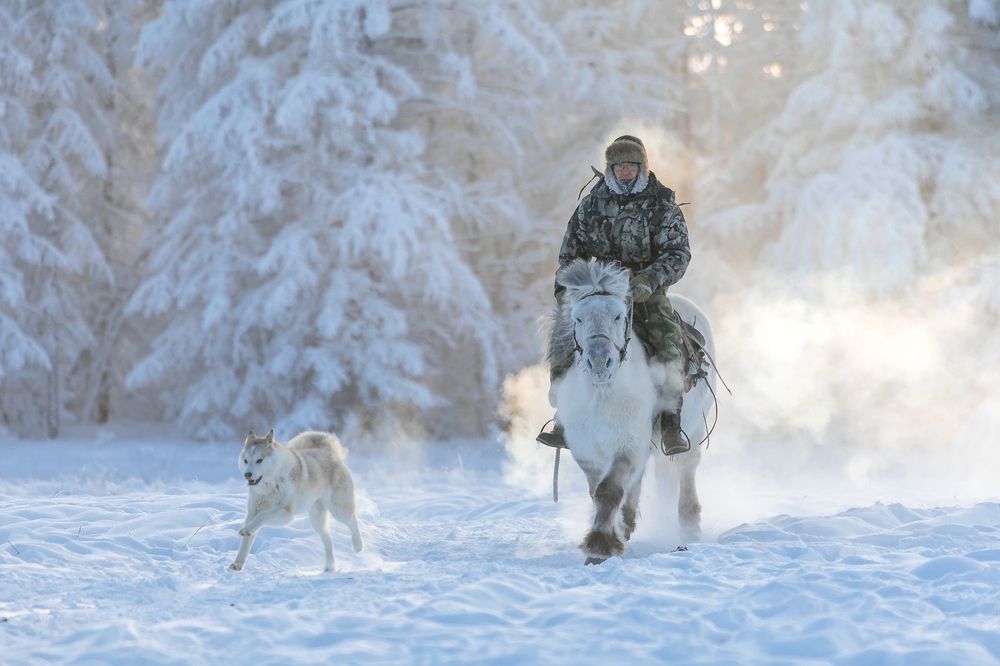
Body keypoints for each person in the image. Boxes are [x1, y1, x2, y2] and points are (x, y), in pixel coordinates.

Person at [537, 135, 691, 455]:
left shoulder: (661, 204)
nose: (624, 172)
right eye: (618, 166)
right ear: (609, 168)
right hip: (598, 291)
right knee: (564, 336)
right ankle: (564, 415)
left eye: (630, 166)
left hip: (644, 292)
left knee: (667, 338)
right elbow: (570, 253)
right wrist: (569, 290)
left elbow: (677, 253)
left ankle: (670, 421)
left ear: (642, 168)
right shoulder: (591, 205)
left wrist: (649, 279)